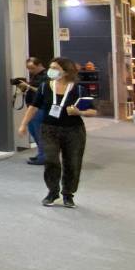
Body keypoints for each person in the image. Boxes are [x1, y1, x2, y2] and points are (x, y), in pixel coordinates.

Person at [18, 57, 97, 208]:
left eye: (55, 68)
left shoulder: (79, 89)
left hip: (74, 130)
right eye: (51, 67)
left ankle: (68, 194)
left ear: (66, 72)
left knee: (72, 163)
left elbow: (92, 111)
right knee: (51, 161)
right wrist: (23, 125)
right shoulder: (44, 87)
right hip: (49, 129)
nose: (51, 70)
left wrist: (79, 112)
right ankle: (53, 192)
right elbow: (33, 107)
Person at [17, 57, 49, 165]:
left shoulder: (47, 76)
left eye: (32, 68)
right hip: (32, 107)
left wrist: (28, 86)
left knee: (39, 132)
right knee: (34, 132)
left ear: (39, 65)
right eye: (28, 68)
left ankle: (44, 157)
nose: (30, 70)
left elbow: (43, 91)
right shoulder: (35, 76)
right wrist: (23, 88)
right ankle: (41, 154)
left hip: (40, 108)